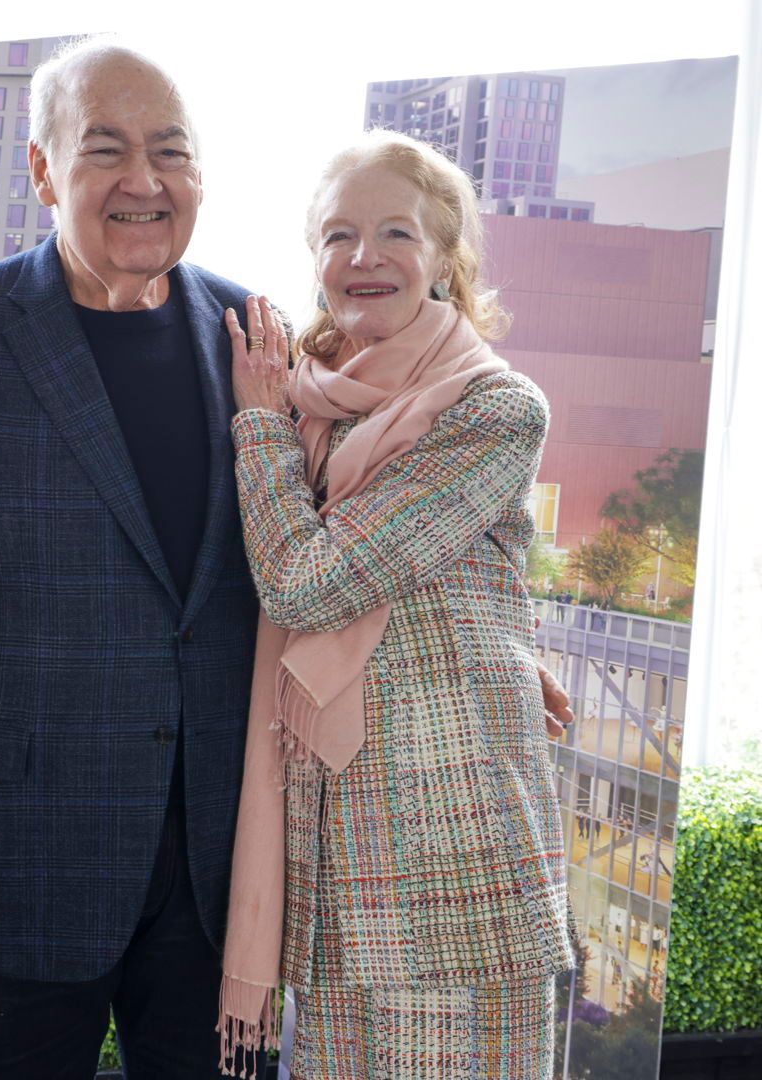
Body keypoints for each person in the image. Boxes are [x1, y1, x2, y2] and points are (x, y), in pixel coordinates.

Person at [0, 43, 573, 1079]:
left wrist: (490, 647)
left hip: (225, 879)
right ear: (44, 171)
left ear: (201, 176)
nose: (145, 181)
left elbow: (341, 535)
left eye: (171, 152)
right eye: (108, 150)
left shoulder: (255, 339)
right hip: (18, 872)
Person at [218, 131, 574, 1079]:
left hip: (454, 866)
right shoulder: (311, 399)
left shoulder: (494, 407)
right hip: (331, 857)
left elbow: (306, 582)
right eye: (339, 234)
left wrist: (255, 429)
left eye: (395, 234)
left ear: (445, 259)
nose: (363, 257)